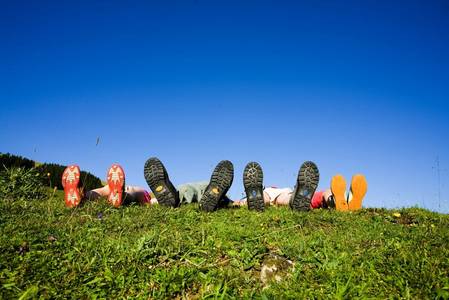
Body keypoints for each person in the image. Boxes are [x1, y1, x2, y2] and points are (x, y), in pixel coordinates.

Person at [143, 157, 321, 212]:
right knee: (284, 196)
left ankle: (174, 197)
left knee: (193, 188)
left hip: (262, 192)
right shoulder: (275, 188)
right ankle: (295, 198)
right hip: (280, 192)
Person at [236, 161, 368, 211]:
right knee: (323, 193)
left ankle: (255, 196)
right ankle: (334, 200)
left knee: (265, 198)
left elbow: (236, 202)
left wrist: (236, 202)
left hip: (269, 194)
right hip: (289, 192)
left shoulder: (267, 189)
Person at [62, 164, 153, 208]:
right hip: (141, 197)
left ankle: (85, 196)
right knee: (133, 190)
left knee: (105, 190)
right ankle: (121, 194)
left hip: (125, 194)